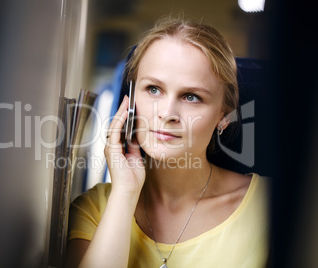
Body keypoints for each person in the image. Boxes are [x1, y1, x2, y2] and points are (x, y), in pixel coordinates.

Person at [65, 16, 270, 268]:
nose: (167, 113)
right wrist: (125, 194)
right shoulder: (93, 210)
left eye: (191, 96)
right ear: (129, 103)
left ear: (224, 116)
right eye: (153, 89)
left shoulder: (270, 206)